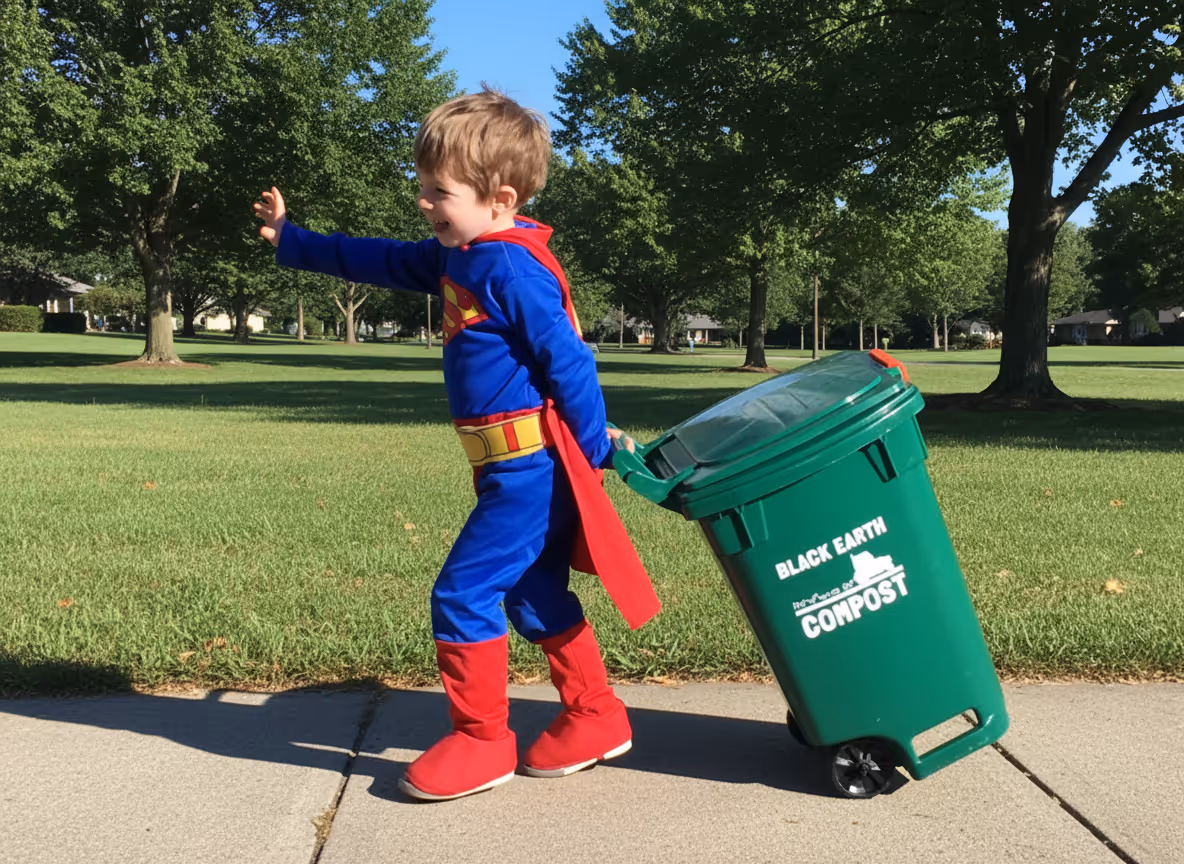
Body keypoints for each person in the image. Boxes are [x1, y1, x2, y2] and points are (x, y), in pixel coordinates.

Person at [253, 87, 660, 802]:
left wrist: (595, 444)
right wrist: (295, 239)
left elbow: (569, 361)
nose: (423, 202)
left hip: (531, 470)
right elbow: (375, 260)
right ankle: (596, 714)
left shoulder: (507, 266)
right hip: (509, 469)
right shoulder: (461, 256)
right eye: (422, 187)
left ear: (500, 199)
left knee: (463, 593)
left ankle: (482, 740)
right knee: (533, 593)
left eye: (438, 190)